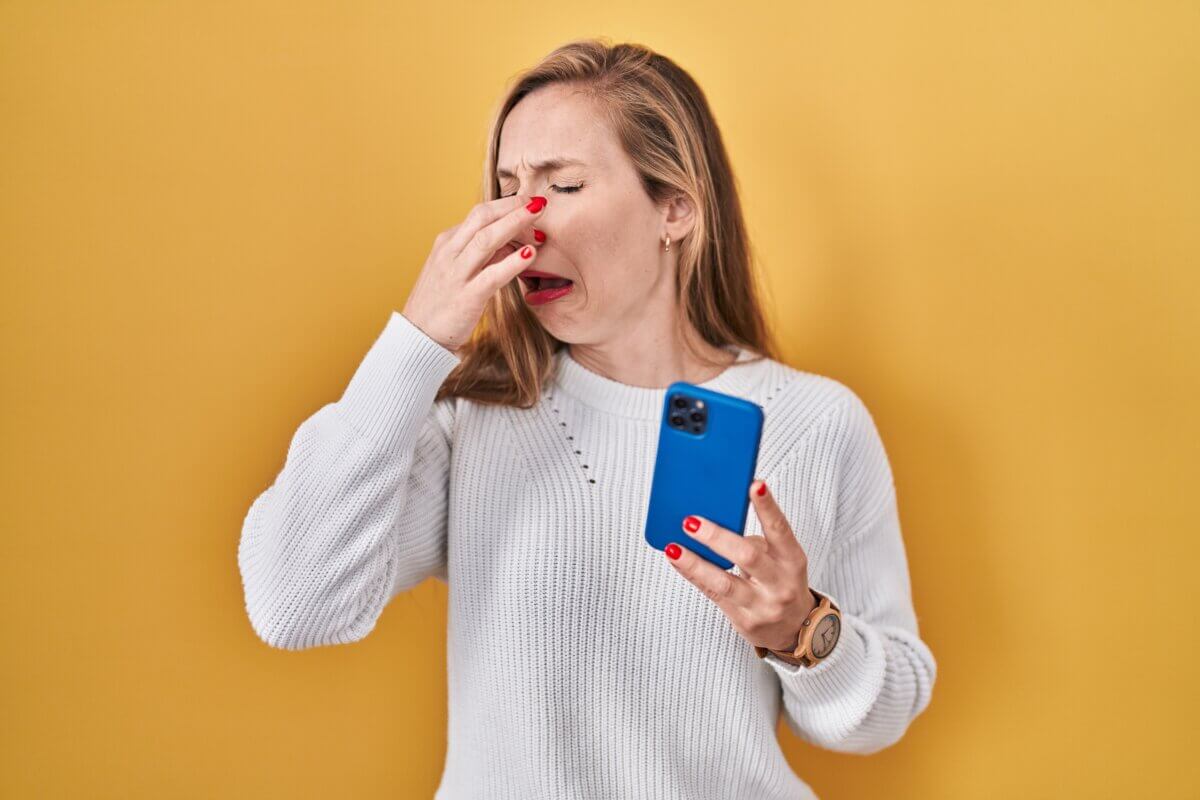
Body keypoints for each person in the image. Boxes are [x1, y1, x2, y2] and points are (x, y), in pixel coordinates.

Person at [237, 38, 936, 800]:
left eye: (561, 187)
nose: (520, 227)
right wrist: (417, 341)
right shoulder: (474, 416)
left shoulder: (814, 423)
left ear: (675, 208)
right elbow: (292, 602)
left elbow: (882, 713)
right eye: (507, 191)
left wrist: (801, 631)